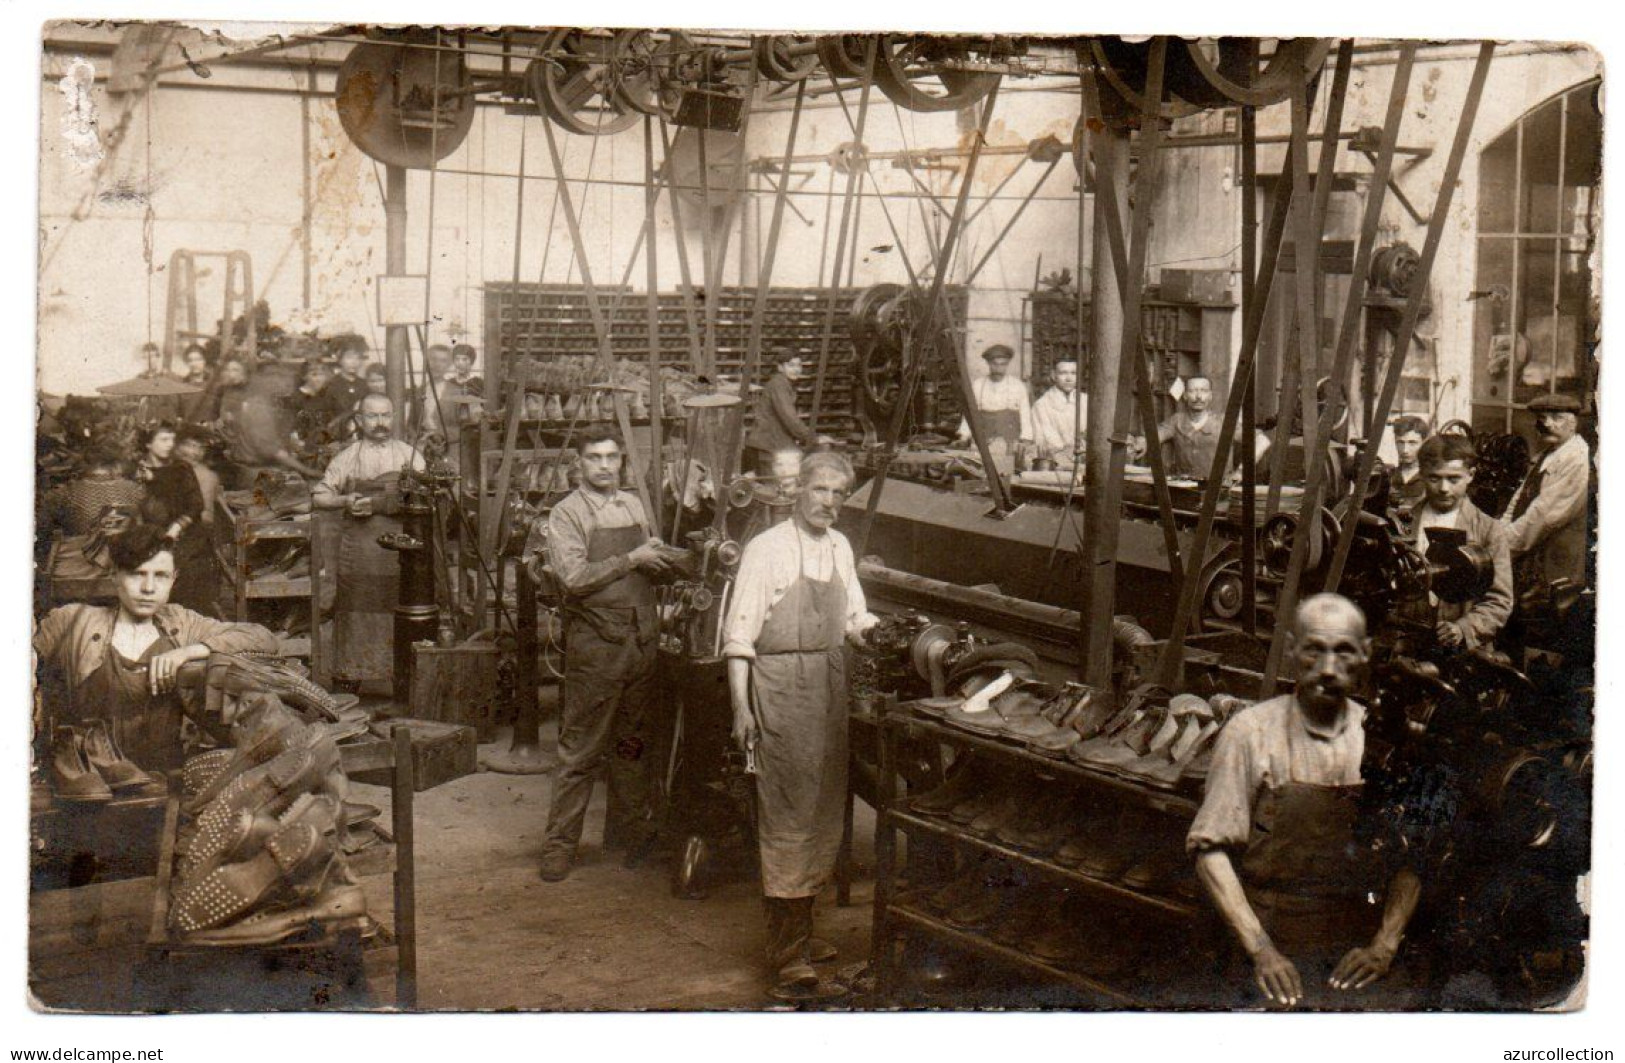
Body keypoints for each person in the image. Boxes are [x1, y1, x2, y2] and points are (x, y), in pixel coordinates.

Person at [1187, 593, 1421, 1009]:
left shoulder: (1383, 739)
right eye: (1314, 650)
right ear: (1292, 649)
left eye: (1344, 652)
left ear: (1365, 653)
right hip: (1270, 932)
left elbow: (1413, 855)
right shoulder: (1251, 733)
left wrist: (1384, 945)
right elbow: (1210, 851)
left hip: (1353, 941)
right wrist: (1261, 950)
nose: (1329, 669)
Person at [723, 451, 879, 994]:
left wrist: (872, 631)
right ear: (798, 492)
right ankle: (788, 953)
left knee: (820, 813)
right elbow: (740, 638)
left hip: (829, 686)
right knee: (787, 813)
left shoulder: (840, 547)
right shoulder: (765, 551)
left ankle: (800, 933)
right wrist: (742, 710)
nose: (829, 503)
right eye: (820, 491)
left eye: (839, 494)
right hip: (783, 686)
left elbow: (855, 615)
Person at [537, 426, 672, 882]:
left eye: (611, 457)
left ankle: (630, 836)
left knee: (632, 744)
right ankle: (559, 846)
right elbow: (573, 577)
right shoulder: (567, 513)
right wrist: (632, 560)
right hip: (596, 646)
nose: (604, 465)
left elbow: (646, 563)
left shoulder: (632, 504)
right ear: (579, 463)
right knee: (580, 750)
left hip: (640, 641)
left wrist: (669, 564)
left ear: (620, 462)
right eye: (594, 457)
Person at [34, 524, 278, 772]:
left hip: (164, 777)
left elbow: (263, 638)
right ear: (114, 575)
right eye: (137, 574)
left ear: (173, 579)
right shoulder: (74, 621)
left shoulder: (182, 625)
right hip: (88, 780)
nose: (148, 588)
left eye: (160, 575)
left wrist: (188, 652)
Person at [312, 394, 425, 691]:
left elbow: (427, 499)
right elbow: (319, 496)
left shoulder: (409, 456)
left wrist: (383, 503)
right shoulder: (347, 457)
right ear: (360, 421)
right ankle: (349, 677)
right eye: (372, 417)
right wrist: (345, 500)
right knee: (355, 613)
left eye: (386, 416)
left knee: (399, 613)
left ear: (394, 417)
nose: (380, 423)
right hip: (359, 553)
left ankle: (401, 680)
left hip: (399, 554)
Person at [1400, 434, 1512, 651]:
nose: (1444, 488)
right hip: (1407, 646)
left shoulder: (1488, 530)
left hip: (1463, 653)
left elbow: (1499, 600)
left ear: (1470, 475)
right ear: (1421, 474)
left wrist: (1464, 628)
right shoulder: (1402, 524)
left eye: (1453, 479)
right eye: (1434, 478)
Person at [1504, 393, 1591, 604]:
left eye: (1557, 418)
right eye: (1542, 419)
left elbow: (1543, 516)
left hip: (1557, 566)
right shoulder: (1548, 454)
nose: (1547, 424)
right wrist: (1500, 529)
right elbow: (1519, 499)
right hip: (1532, 560)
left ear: (1573, 424)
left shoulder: (1577, 459)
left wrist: (1499, 546)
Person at [135, 422, 217, 615]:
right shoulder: (137, 470)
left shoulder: (182, 468)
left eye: (172, 439)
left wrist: (176, 528)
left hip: (185, 534)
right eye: (163, 439)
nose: (170, 444)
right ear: (148, 443)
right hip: (150, 532)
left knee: (186, 571)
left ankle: (184, 618)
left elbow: (196, 505)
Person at [746, 350, 829, 476]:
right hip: (768, 445)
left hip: (773, 443)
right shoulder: (778, 385)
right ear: (780, 367)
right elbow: (789, 418)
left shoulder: (785, 384)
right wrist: (813, 438)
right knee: (774, 488)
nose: (796, 369)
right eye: (791, 365)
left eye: (799, 365)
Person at [955, 344, 1033, 456]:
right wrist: (963, 437)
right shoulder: (978, 385)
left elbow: (1025, 415)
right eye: (995, 364)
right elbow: (970, 414)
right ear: (988, 363)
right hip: (983, 441)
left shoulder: (1017, 386)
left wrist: (1026, 439)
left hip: (1010, 441)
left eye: (1003, 364)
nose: (998, 369)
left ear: (1007, 364)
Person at [1143, 375, 1226, 480]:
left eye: (1204, 391)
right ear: (1185, 396)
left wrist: (1240, 471)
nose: (1199, 396)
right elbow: (1155, 436)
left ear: (1210, 396)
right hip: (1185, 488)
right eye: (1192, 391)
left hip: (1218, 490)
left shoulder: (1223, 422)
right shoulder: (1177, 420)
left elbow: (1252, 440)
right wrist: (1142, 442)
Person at [1030, 358, 1086, 463]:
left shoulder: (1085, 401)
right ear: (1053, 375)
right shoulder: (1042, 405)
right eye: (1063, 373)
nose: (1069, 378)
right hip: (1056, 463)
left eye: (1073, 373)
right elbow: (1048, 442)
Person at [322, 338, 371, 442]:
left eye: (358, 358)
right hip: (338, 438)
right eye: (349, 357)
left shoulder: (364, 385)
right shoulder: (331, 385)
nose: (354, 362)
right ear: (339, 358)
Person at [174, 424, 221, 531]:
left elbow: (206, 516)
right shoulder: (166, 467)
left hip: (191, 533)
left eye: (201, 448)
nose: (195, 452)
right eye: (190, 445)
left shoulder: (208, 477)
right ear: (177, 446)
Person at [1387, 415, 1430, 517]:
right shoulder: (1388, 477)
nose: (1405, 450)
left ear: (1424, 443)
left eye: (1412, 443)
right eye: (1400, 443)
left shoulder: (1431, 478)